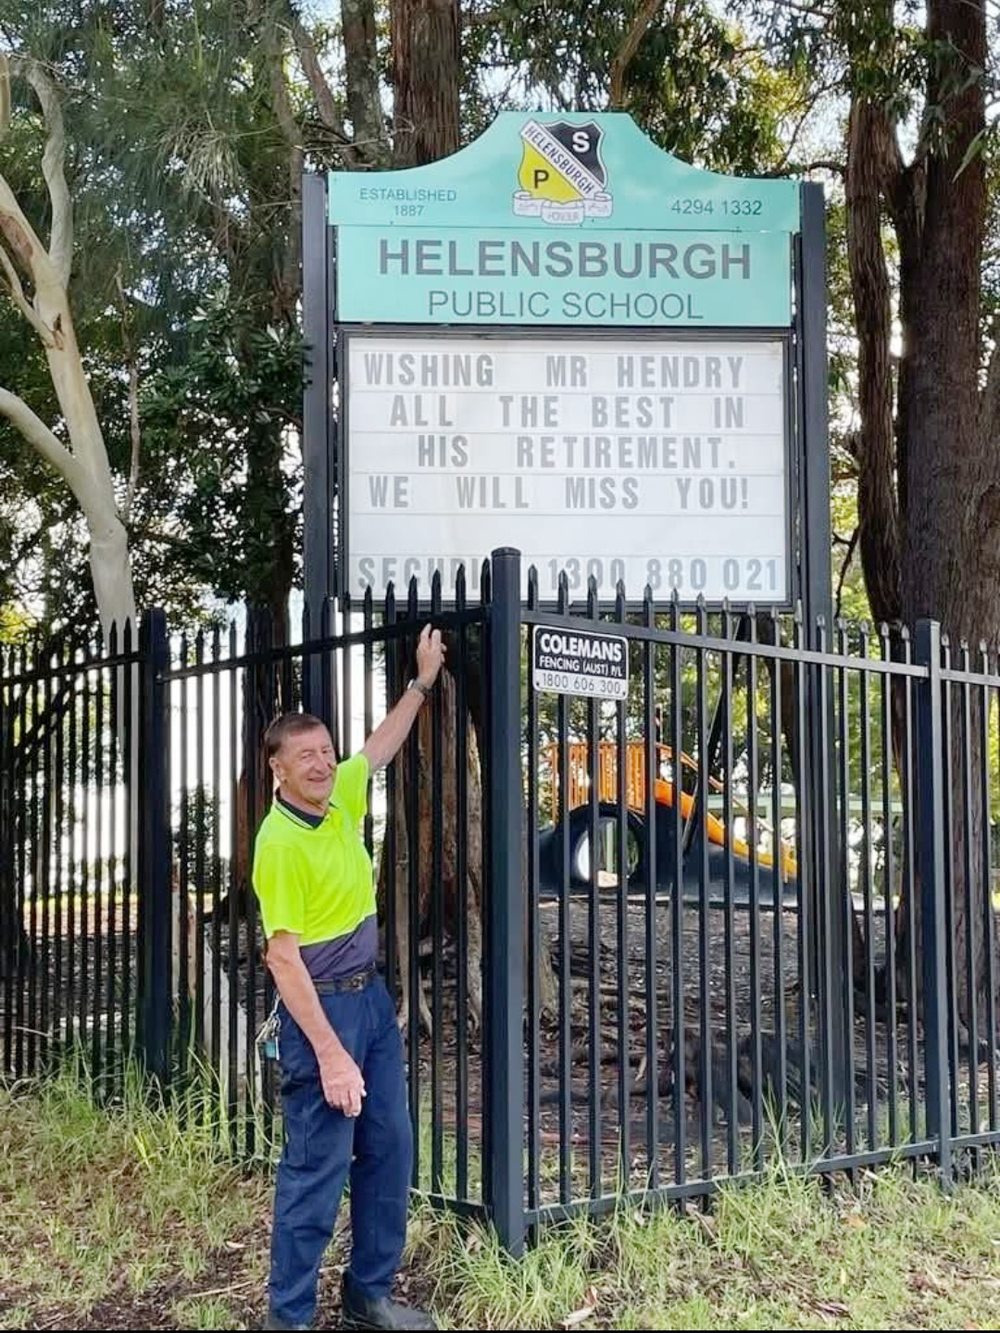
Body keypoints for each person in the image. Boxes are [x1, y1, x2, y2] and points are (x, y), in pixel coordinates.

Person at [252, 624, 445, 1331]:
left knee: (389, 1149)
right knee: (316, 1171)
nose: (321, 763)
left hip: (371, 1001)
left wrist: (421, 681)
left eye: (325, 751)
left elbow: (380, 747)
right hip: (321, 1018)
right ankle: (289, 1316)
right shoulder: (278, 846)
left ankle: (368, 1295)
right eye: (304, 756)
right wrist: (331, 1052)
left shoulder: (340, 799)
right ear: (276, 768)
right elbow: (281, 958)